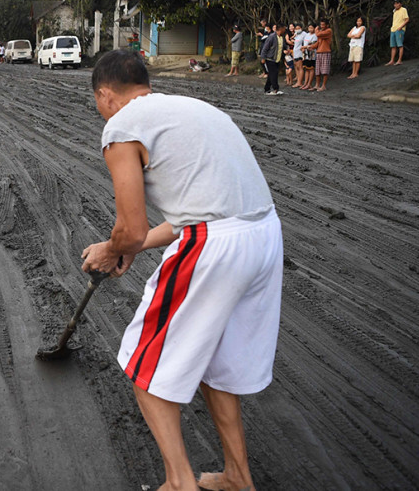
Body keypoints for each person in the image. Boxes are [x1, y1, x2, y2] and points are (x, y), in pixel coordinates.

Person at [82, 50, 283, 491]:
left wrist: (113, 249)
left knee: (144, 367)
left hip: (214, 246)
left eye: (97, 103)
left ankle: (179, 484)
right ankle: (237, 478)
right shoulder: (195, 109)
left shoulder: (121, 126)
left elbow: (131, 230)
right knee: (218, 365)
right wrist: (125, 248)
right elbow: (192, 213)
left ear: (105, 94)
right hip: (263, 235)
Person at [259, 24, 283, 95]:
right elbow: (265, 48)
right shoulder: (272, 37)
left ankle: (267, 88)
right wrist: (263, 58)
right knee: (274, 74)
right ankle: (276, 88)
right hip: (270, 59)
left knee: (271, 75)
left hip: (277, 59)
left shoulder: (281, 37)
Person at [311, 19, 333, 91]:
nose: (322, 26)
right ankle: (317, 85)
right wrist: (309, 47)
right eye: (321, 25)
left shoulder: (328, 31)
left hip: (325, 52)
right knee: (317, 70)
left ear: (327, 25)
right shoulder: (321, 32)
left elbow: (317, 34)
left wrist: (316, 29)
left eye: (323, 25)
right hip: (319, 52)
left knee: (325, 70)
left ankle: (323, 86)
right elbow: (318, 43)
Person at [387, 0, 409, 65]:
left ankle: (399, 60)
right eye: (395, 3)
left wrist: (401, 27)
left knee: (400, 45)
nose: (396, 5)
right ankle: (392, 60)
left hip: (399, 29)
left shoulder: (403, 10)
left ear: (400, 3)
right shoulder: (395, 11)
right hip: (393, 29)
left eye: (397, 3)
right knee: (393, 46)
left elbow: (407, 19)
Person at [299, 24, 317, 90]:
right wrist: (303, 49)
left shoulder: (315, 36)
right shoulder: (307, 35)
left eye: (311, 27)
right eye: (309, 27)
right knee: (306, 69)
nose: (310, 29)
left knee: (311, 69)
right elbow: (305, 43)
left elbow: (312, 45)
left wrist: (304, 47)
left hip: (312, 54)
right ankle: (305, 83)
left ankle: (309, 84)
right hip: (306, 54)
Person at [292, 22, 306, 88]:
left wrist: (304, 49)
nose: (297, 29)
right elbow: (292, 40)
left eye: (298, 28)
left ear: (301, 28)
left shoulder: (304, 34)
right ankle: (298, 81)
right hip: (295, 52)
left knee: (300, 67)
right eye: (296, 28)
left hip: (300, 52)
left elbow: (306, 42)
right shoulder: (296, 34)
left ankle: (300, 82)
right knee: (296, 67)